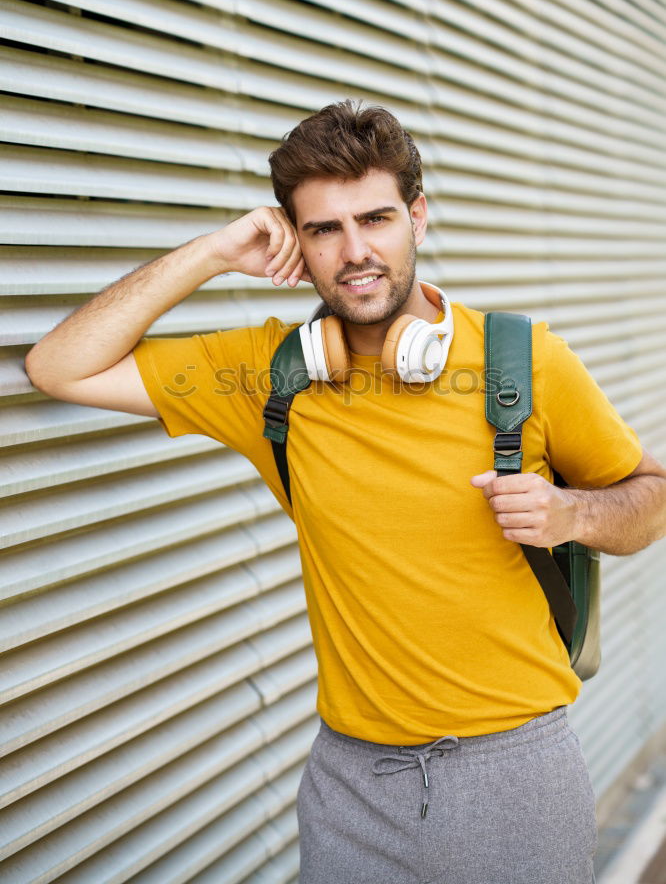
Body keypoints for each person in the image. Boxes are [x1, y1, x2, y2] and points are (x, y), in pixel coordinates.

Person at [24, 100, 666, 884]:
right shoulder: (271, 378)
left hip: (514, 772)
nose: (356, 252)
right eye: (325, 229)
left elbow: (650, 494)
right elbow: (60, 367)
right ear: (296, 242)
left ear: (417, 217)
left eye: (376, 218)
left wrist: (575, 513)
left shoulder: (522, 362)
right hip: (348, 786)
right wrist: (214, 252)